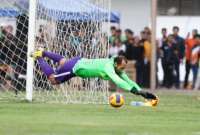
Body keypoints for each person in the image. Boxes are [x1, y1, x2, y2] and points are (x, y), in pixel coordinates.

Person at [30, 48, 158, 103]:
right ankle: (39, 56)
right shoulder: (109, 68)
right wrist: (136, 92)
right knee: (53, 80)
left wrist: (141, 92)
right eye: (122, 67)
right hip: (75, 67)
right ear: (117, 64)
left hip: (78, 61)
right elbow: (118, 81)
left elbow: (127, 80)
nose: (123, 70)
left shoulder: (115, 65)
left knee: (63, 61)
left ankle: (44, 52)